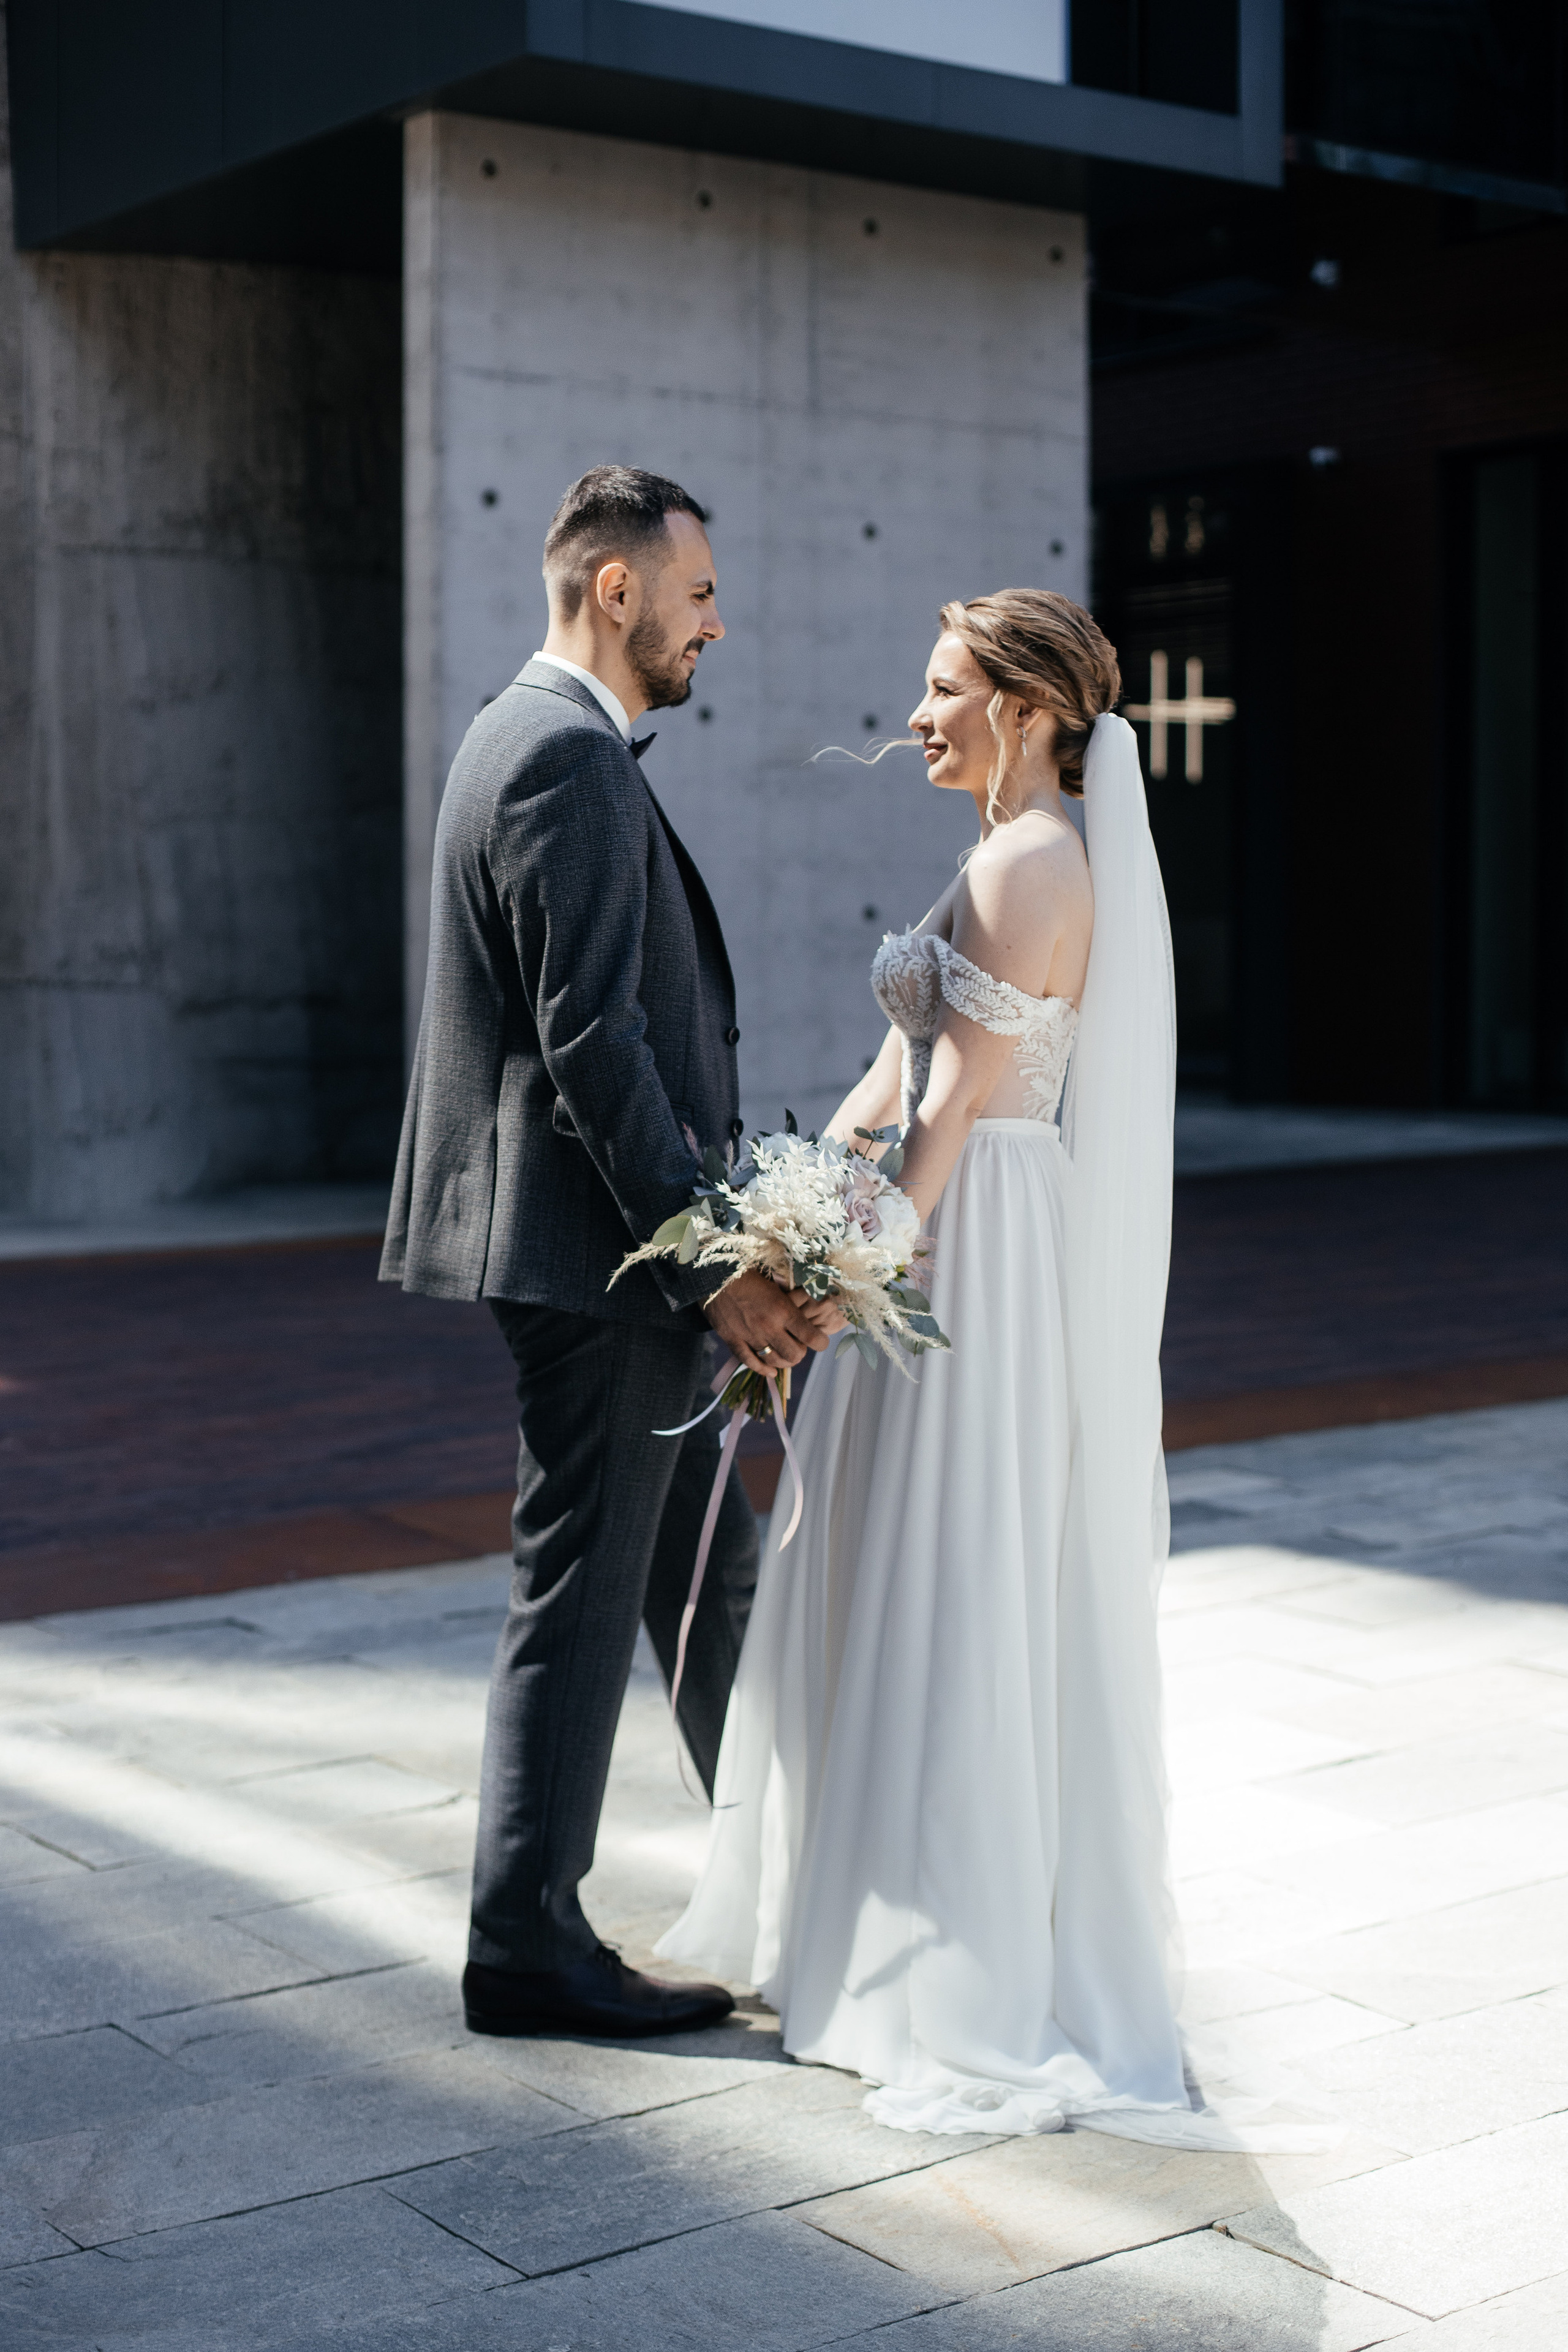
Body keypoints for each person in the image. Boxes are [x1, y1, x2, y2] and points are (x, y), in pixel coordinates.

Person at [659, 589, 1321, 2149]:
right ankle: (870, 1923)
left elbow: (951, 1112)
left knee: (949, 1573)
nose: (919, 713)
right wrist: (780, 1218)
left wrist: (843, 1265)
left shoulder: (1034, 863)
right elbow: (887, 1080)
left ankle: (942, 1969)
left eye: (947, 688)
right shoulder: (989, 851)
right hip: (922, 1228)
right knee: (888, 1562)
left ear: (1026, 706)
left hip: (975, 1239)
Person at [381, 465, 832, 2040]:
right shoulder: (562, 754)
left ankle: (797, 1884)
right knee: (586, 1590)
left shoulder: (542, 741)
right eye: (698, 595)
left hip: (605, 1254)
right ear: (617, 589)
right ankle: (525, 1946)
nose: (717, 623)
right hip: (603, 1265)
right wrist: (719, 1263)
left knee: (703, 1572)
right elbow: (591, 1044)